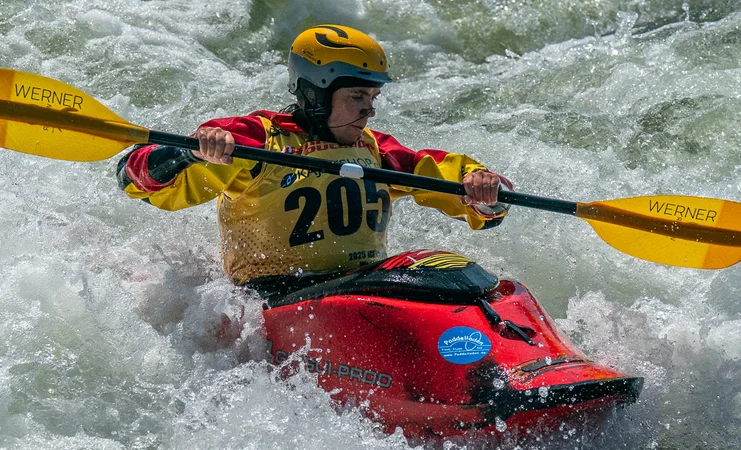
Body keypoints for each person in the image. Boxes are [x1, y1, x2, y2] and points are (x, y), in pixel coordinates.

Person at [117, 24, 510, 297]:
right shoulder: (255, 141)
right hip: (273, 298)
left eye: (372, 100)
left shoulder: (375, 149)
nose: (368, 112)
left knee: (454, 275)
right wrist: (188, 151)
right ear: (316, 94)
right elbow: (135, 180)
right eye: (357, 97)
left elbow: (444, 174)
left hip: (361, 288)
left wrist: (481, 188)